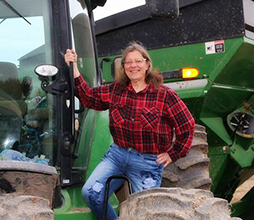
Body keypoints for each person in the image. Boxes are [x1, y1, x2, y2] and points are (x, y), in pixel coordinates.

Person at [64, 41, 196, 220]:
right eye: (128, 62)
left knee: (147, 212)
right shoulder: (116, 90)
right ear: (123, 66)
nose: (133, 66)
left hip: (147, 163)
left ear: (147, 64)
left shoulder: (164, 95)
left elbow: (187, 125)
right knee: (91, 194)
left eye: (138, 61)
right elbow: (88, 98)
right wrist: (75, 71)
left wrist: (174, 153)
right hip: (116, 156)